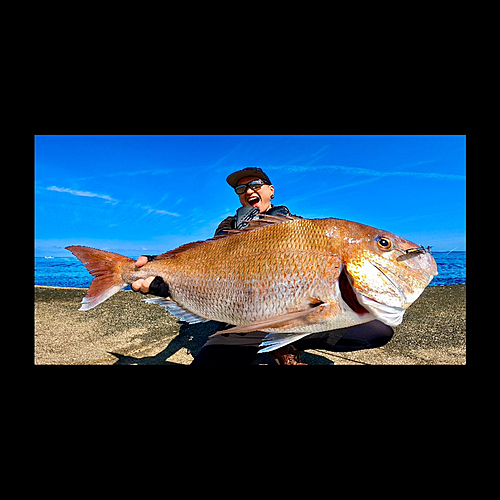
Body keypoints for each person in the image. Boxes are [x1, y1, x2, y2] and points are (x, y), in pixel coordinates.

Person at [132, 167, 394, 365]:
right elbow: (202, 262)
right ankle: (278, 347)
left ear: (271, 190)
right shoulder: (227, 228)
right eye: (241, 189)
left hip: (297, 315)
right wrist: (158, 268)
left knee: (377, 330)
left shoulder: (299, 226)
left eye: (255, 184)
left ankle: (286, 342)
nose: (248, 191)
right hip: (242, 321)